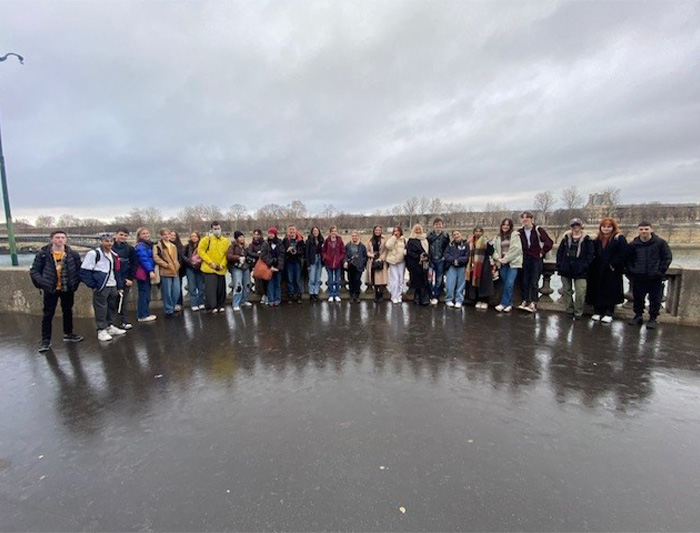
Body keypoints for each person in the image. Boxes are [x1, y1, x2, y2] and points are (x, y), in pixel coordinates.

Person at [30, 230, 84, 352]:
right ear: (52, 239)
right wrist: (43, 283)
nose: (60, 240)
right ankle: (45, 340)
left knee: (68, 311)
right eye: (57, 237)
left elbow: (79, 269)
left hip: (67, 287)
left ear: (66, 239)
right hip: (51, 288)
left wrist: (75, 282)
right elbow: (34, 271)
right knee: (48, 314)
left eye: (62, 237)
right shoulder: (43, 254)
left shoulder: (73, 254)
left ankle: (68, 333)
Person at [80, 233, 126, 341]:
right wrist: (93, 285)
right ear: (101, 242)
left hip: (112, 284)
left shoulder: (114, 254)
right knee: (101, 307)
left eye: (111, 241)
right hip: (102, 285)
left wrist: (119, 286)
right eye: (106, 241)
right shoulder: (94, 254)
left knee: (111, 306)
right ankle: (101, 329)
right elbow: (84, 271)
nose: (109, 243)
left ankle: (109, 326)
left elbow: (116, 271)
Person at [626, 221, 673, 329]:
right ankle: (638, 316)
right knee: (638, 298)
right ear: (638, 231)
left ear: (651, 229)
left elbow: (667, 258)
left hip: (655, 277)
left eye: (646, 229)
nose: (644, 231)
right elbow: (628, 260)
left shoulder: (660, 243)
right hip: (639, 276)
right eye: (641, 229)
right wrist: (633, 270)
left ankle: (653, 319)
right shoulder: (633, 245)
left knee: (655, 299)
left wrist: (660, 271)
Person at [586, 218, 628, 324]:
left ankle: (609, 312)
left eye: (609, 227)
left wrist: (613, 264)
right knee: (597, 290)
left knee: (610, 291)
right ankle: (597, 311)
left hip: (611, 270)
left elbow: (623, 254)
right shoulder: (597, 239)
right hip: (597, 269)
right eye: (604, 226)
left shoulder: (619, 238)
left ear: (613, 227)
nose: (606, 229)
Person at [556, 218, 594, 320]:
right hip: (566, 268)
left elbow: (591, 255)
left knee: (580, 292)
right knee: (566, 291)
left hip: (581, 270)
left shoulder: (587, 240)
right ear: (571, 227)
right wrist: (560, 265)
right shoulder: (565, 239)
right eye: (573, 225)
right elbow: (560, 253)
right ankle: (569, 310)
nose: (575, 227)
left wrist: (585, 266)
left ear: (581, 226)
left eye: (577, 225)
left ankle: (578, 312)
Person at [517, 211, 553, 313]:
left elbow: (549, 242)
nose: (525, 220)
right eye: (523, 218)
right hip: (525, 258)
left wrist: (542, 252)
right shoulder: (520, 232)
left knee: (534, 281)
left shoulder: (538, 230)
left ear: (532, 219)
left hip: (536, 258)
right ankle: (525, 300)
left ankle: (533, 302)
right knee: (524, 280)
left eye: (527, 218)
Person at [491, 218, 523, 313]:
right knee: (505, 284)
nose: (505, 226)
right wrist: (498, 258)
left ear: (510, 226)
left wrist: (506, 259)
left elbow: (516, 249)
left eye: (507, 225)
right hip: (502, 263)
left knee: (509, 283)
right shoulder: (497, 237)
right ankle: (509, 304)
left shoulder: (515, 235)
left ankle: (504, 303)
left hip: (513, 263)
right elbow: (493, 250)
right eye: (504, 224)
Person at [198, 221, 230, 313]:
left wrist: (223, 264)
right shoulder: (206, 240)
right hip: (209, 268)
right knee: (210, 289)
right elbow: (201, 251)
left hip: (221, 268)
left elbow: (226, 254)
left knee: (221, 289)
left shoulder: (225, 241)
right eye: (215, 229)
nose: (217, 230)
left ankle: (221, 305)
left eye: (218, 228)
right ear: (211, 229)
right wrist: (210, 262)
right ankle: (212, 306)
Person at [112, 228, 138, 329]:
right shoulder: (110, 247)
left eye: (125, 236)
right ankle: (111, 323)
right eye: (121, 235)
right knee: (111, 302)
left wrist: (130, 278)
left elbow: (134, 264)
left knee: (123, 301)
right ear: (116, 234)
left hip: (125, 278)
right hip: (112, 278)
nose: (123, 237)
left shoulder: (130, 249)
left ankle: (124, 321)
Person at [153, 228, 182, 317]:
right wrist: (166, 265)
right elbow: (156, 258)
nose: (167, 236)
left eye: (168, 234)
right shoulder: (158, 245)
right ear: (161, 236)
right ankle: (168, 310)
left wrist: (177, 265)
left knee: (176, 291)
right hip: (165, 271)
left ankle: (173, 306)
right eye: (164, 234)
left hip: (175, 271)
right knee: (167, 292)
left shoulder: (173, 246)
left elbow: (176, 258)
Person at [466, 226, 495, 309]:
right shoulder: (470, 242)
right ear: (474, 232)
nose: (478, 233)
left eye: (480, 231)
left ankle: (485, 301)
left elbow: (491, 252)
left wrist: (489, 244)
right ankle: (477, 300)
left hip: (483, 264)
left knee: (484, 283)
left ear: (482, 233)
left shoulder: (485, 241)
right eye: (476, 231)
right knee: (475, 282)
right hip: (473, 265)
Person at [134, 228, 157, 323]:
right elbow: (144, 259)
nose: (146, 235)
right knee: (144, 294)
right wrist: (150, 270)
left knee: (146, 294)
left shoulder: (148, 245)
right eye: (143, 233)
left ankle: (145, 313)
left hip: (146, 272)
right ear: (139, 236)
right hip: (144, 273)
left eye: (147, 233)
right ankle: (142, 315)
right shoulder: (141, 246)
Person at [443, 230, 469, 308]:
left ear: (461, 234)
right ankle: (448, 299)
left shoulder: (465, 244)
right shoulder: (450, 245)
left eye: (457, 234)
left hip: (462, 266)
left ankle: (459, 300)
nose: (456, 236)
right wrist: (453, 260)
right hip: (452, 266)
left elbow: (467, 255)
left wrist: (459, 260)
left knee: (461, 285)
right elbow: (446, 254)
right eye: (454, 235)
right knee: (449, 284)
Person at [227, 231, 252, 311]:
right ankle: (236, 303)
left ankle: (244, 300)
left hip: (246, 267)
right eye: (240, 237)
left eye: (242, 237)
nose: (242, 238)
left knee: (247, 284)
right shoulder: (232, 246)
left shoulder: (246, 246)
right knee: (238, 286)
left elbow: (250, 255)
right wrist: (238, 258)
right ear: (236, 238)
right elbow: (229, 256)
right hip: (236, 268)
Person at [427, 217, 450, 305]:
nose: (438, 226)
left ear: (442, 225)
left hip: (440, 260)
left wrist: (444, 257)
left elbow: (447, 247)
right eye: (436, 224)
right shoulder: (429, 236)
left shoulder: (445, 236)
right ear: (433, 226)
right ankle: (430, 294)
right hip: (431, 260)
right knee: (429, 278)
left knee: (439, 279)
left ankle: (436, 296)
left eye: (440, 224)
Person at [406, 224, 430, 306]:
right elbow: (409, 252)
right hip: (415, 263)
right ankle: (416, 298)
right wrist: (419, 257)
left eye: (419, 229)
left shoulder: (425, 239)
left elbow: (429, 250)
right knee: (417, 281)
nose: (418, 231)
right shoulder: (411, 240)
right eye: (416, 229)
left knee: (424, 280)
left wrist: (427, 257)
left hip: (425, 263)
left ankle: (423, 298)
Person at [260, 227, 285, 306]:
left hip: (277, 267)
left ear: (275, 234)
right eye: (269, 233)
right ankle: (271, 299)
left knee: (277, 283)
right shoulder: (265, 244)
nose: (270, 235)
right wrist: (270, 263)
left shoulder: (280, 243)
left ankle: (277, 299)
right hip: (269, 267)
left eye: (272, 234)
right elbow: (263, 256)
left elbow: (282, 254)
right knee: (270, 284)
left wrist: (278, 265)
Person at [282, 225, 305, 303]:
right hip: (289, 262)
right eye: (290, 230)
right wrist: (287, 250)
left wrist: (297, 252)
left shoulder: (300, 240)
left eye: (293, 230)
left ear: (296, 230)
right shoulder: (285, 240)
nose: (292, 231)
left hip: (297, 261)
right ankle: (290, 296)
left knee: (298, 280)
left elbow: (303, 251)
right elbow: (282, 251)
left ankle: (298, 296)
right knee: (290, 280)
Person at [322, 226, 345, 302]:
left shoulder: (340, 241)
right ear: (330, 232)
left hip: (338, 263)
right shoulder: (327, 241)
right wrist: (326, 257)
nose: (334, 233)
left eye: (335, 231)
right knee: (330, 280)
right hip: (329, 263)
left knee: (337, 280)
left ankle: (337, 294)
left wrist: (339, 259)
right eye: (332, 231)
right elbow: (323, 251)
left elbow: (343, 252)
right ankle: (331, 294)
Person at [183, 231, 205, 311]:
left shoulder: (202, 245)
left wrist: (199, 263)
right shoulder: (187, 246)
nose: (194, 238)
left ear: (198, 237)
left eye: (195, 236)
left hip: (200, 268)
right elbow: (183, 256)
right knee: (192, 287)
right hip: (190, 268)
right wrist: (190, 261)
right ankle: (194, 304)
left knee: (201, 286)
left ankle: (201, 303)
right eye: (192, 236)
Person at [384, 226, 407, 304]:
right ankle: (394, 296)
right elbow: (388, 246)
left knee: (401, 279)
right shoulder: (391, 239)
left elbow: (407, 248)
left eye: (398, 231)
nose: (396, 232)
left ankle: (399, 295)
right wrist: (394, 238)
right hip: (393, 261)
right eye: (394, 231)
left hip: (401, 261)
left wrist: (405, 252)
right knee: (395, 280)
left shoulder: (404, 240)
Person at [366, 225, 388, 303]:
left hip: (381, 261)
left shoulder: (384, 240)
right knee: (374, 279)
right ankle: (376, 294)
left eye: (379, 230)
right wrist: (371, 255)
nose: (377, 231)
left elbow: (386, 251)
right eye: (376, 230)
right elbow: (367, 250)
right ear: (374, 231)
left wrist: (381, 258)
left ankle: (381, 294)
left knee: (381, 279)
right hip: (372, 261)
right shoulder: (370, 240)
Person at [344, 230, 368, 303]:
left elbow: (365, 256)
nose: (354, 237)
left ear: (358, 236)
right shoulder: (348, 245)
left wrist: (362, 262)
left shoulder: (362, 246)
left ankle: (357, 295)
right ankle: (351, 295)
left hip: (359, 266)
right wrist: (346, 261)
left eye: (356, 236)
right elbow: (345, 255)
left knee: (357, 280)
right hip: (350, 266)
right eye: (353, 236)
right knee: (351, 281)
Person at [247, 229, 266, 303]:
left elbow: (265, 253)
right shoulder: (251, 244)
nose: (256, 236)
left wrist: (259, 254)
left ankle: (264, 294)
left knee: (263, 280)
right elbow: (249, 252)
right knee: (257, 279)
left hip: (263, 264)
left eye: (258, 234)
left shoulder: (264, 243)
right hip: (255, 264)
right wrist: (258, 254)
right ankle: (258, 293)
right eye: (255, 234)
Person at [306, 226, 324, 302]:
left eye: (317, 231)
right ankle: (311, 294)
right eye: (314, 231)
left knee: (318, 278)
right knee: (312, 278)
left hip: (319, 259)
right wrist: (308, 264)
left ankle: (316, 293)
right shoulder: (309, 241)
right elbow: (307, 253)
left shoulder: (321, 240)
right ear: (312, 232)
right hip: (312, 260)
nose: (315, 232)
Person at [169, 230, 186, 312]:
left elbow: (182, 258)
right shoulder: (165, 245)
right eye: (171, 235)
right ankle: (172, 304)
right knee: (170, 288)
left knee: (178, 288)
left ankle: (179, 303)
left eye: (174, 235)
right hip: (168, 270)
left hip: (179, 270)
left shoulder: (180, 246)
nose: (172, 237)